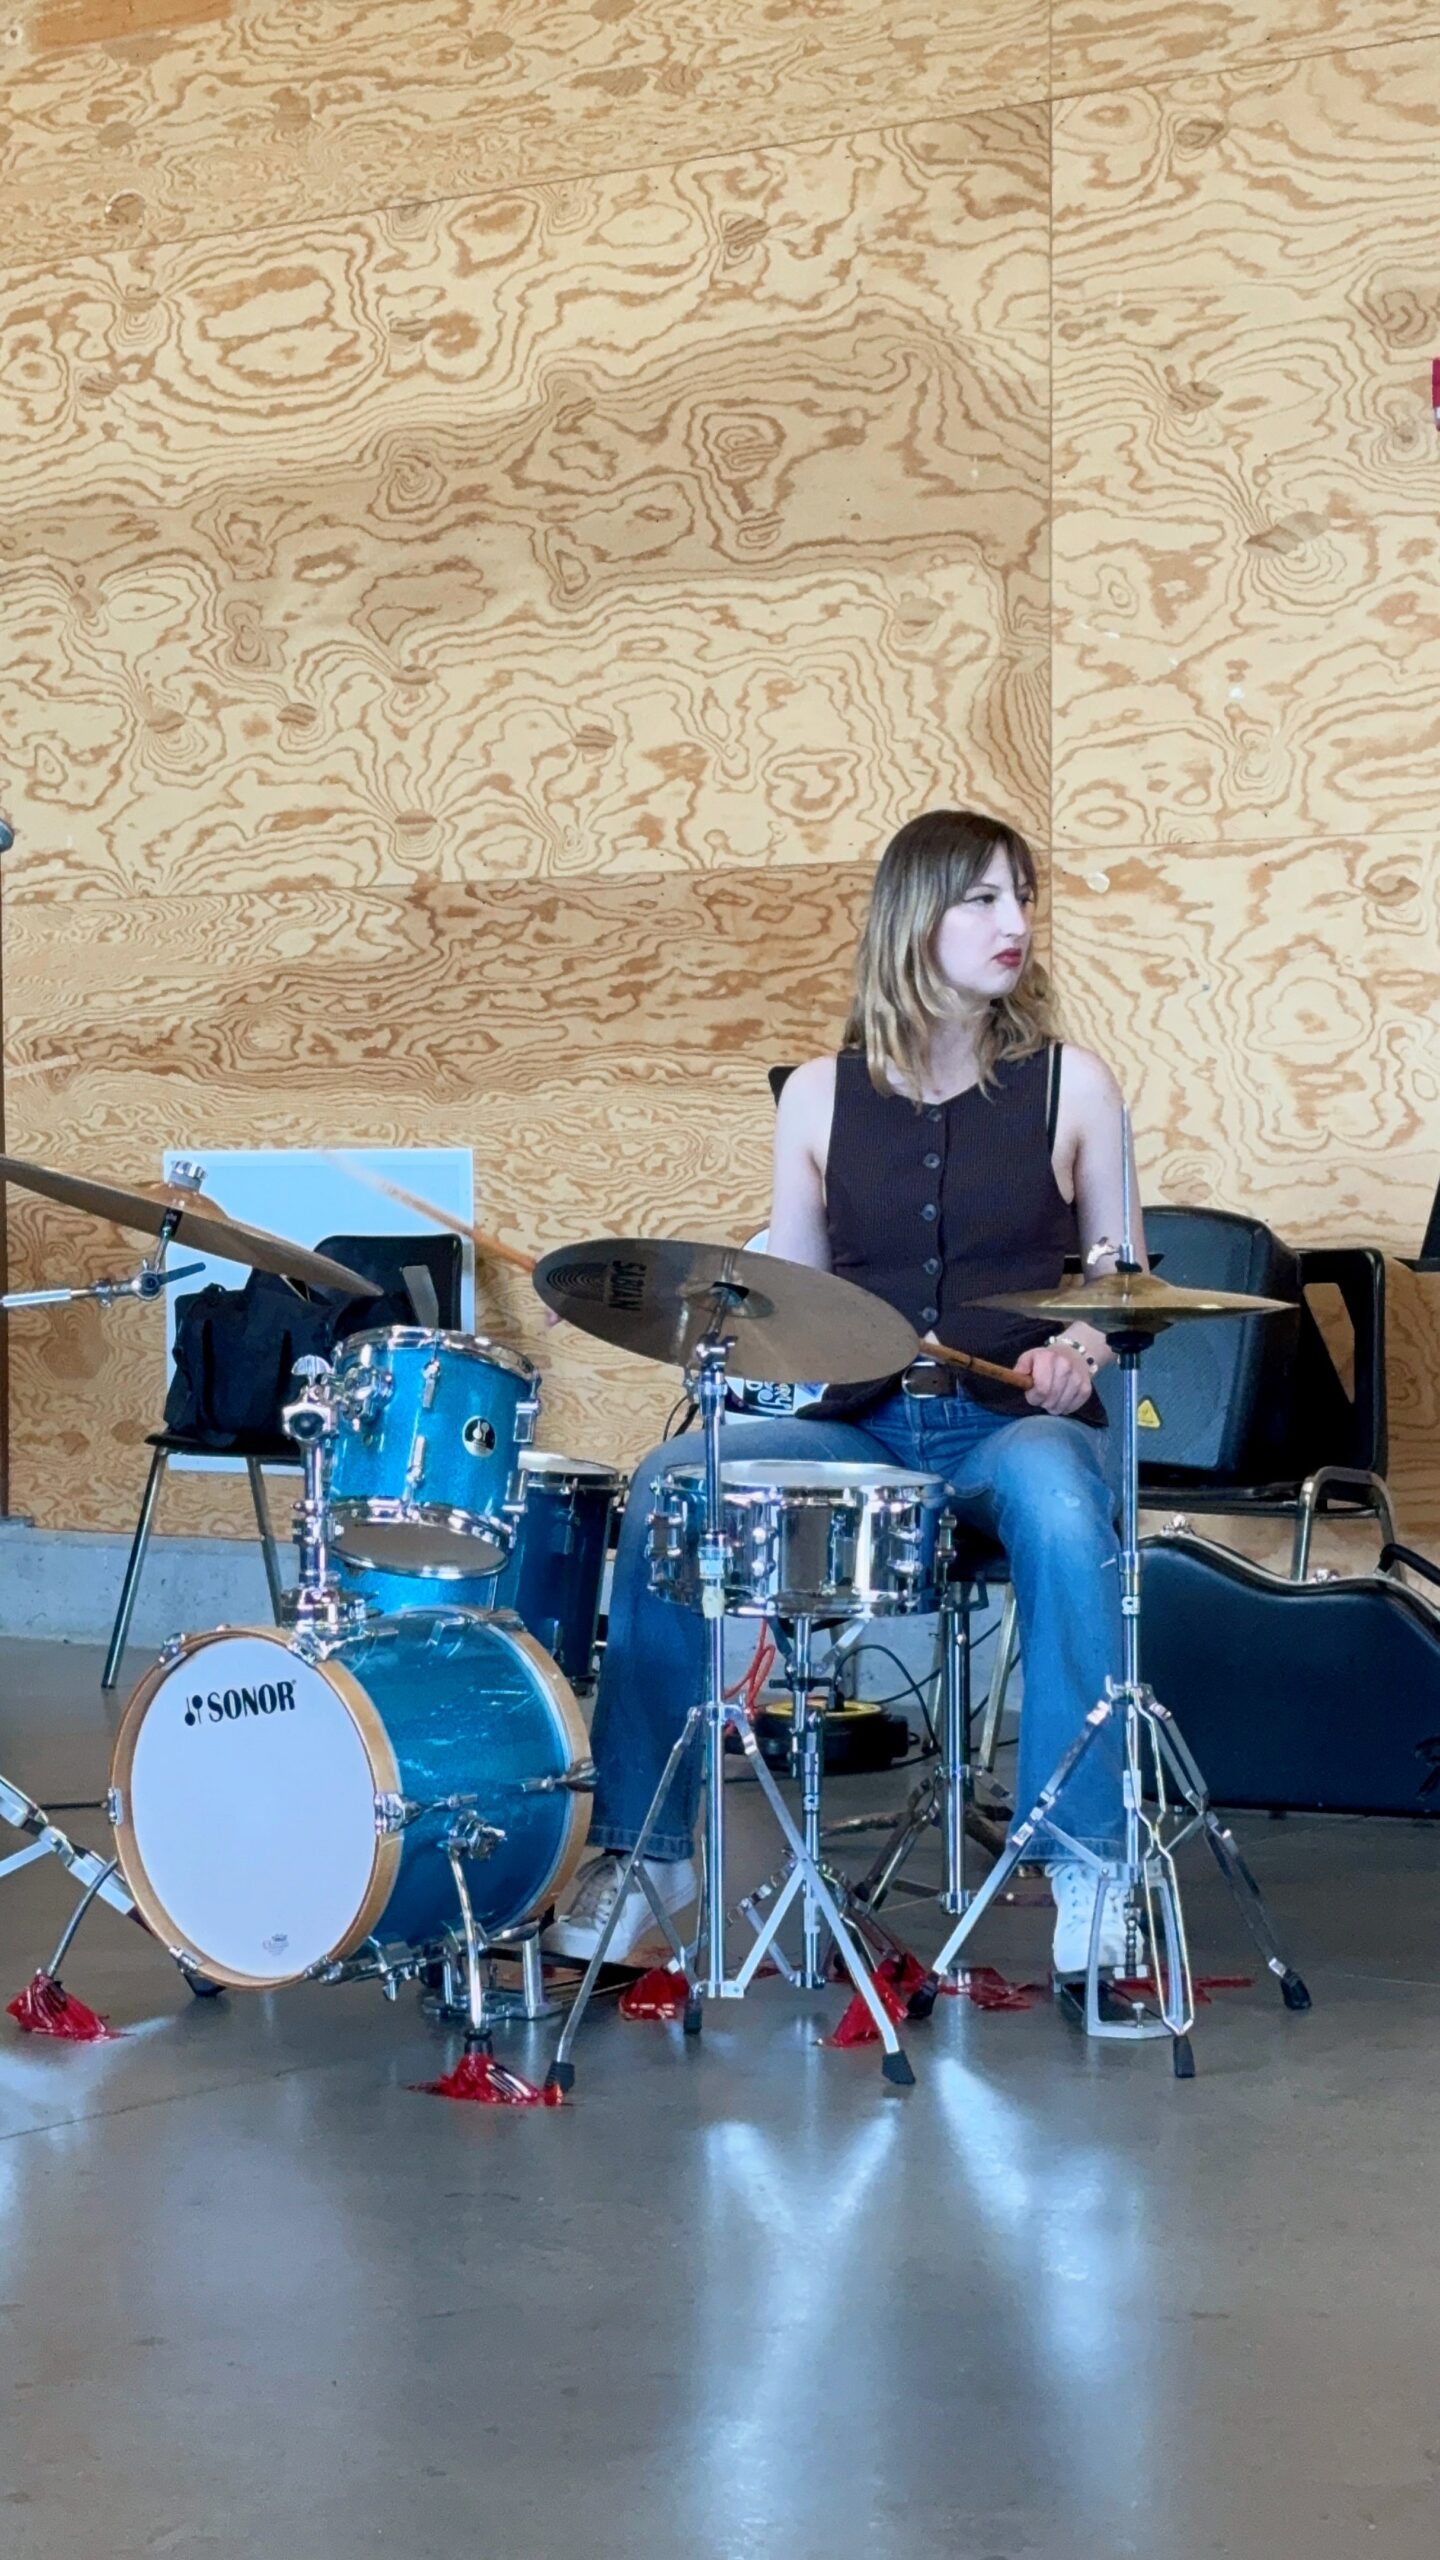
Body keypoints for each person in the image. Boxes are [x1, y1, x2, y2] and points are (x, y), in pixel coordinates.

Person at [544, 807, 1140, 1976]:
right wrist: (670, 1313)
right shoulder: (817, 1095)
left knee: (1066, 1505)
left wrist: (1080, 1347)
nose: (1015, 922)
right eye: (982, 897)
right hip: (860, 1426)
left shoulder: (1074, 1085)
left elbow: (1123, 1286)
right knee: (672, 1482)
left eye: (1022, 897)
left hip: (1011, 1429)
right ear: (914, 915)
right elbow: (795, 1304)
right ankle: (647, 1855)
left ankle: (1088, 1860)